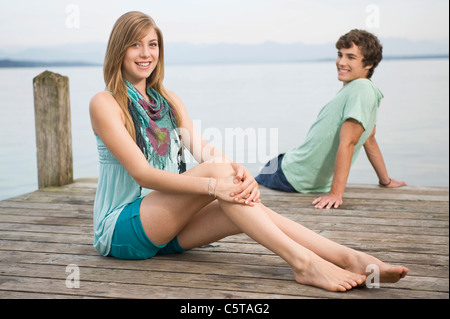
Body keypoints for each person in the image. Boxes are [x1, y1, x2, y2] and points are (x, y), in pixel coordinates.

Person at [89, 12, 408, 292]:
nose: (146, 53)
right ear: (120, 49)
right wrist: (216, 184)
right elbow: (142, 174)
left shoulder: (168, 99)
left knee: (247, 204)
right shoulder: (105, 103)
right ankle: (304, 263)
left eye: (152, 44)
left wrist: (236, 170)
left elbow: (201, 148)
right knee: (221, 180)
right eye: (135, 44)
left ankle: (350, 258)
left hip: (166, 230)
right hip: (122, 230)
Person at [255, 29, 407, 209]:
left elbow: (348, 143)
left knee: (236, 181)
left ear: (369, 64)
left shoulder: (361, 90)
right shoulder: (362, 90)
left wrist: (336, 194)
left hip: (291, 176)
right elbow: (370, 138)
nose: (341, 62)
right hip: (294, 167)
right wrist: (385, 180)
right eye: (340, 55)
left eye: (351, 57)